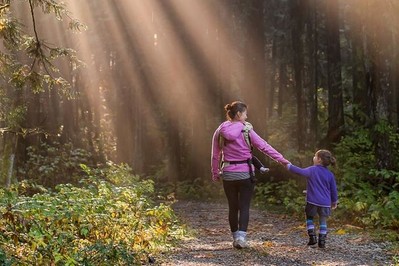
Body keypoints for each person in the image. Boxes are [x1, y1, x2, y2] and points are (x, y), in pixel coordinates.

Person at [211, 101, 290, 249]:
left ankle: (235, 238)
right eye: (245, 113)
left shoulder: (220, 130)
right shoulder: (246, 130)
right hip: (245, 174)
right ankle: (242, 238)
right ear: (239, 114)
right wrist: (282, 160)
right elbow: (264, 146)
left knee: (233, 207)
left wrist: (215, 172)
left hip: (228, 174)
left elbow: (215, 154)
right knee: (244, 206)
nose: (247, 117)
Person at [286, 149, 338, 248]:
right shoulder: (330, 175)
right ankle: (322, 241)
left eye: (315, 156)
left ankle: (312, 237)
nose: (313, 157)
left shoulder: (312, 170)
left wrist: (289, 166)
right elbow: (333, 190)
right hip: (325, 203)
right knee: (323, 220)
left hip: (312, 201)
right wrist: (334, 201)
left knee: (309, 217)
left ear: (319, 159)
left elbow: (299, 171)